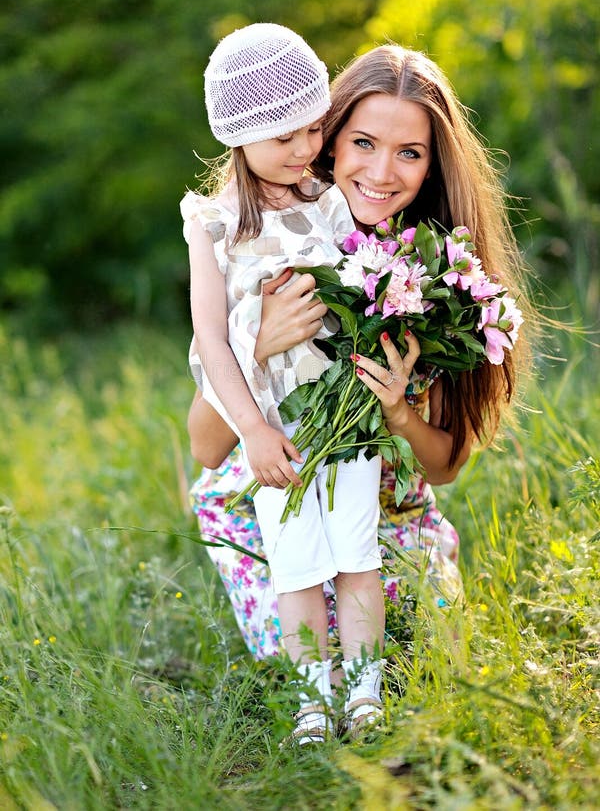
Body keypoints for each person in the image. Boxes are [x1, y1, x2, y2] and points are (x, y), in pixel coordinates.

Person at [185, 43, 532, 743]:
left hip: (389, 507)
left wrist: (400, 410)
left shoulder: (440, 273)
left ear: (435, 164)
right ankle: (319, 696)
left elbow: (444, 465)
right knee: (312, 622)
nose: (381, 172)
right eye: (363, 142)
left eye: (410, 152)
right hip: (276, 478)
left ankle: (364, 683)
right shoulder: (274, 242)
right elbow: (205, 442)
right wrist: (259, 345)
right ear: (329, 137)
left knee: (409, 645)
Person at [182, 24, 392, 744]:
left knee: (358, 556)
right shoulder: (212, 226)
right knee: (298, 570)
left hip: (347, 415)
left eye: (312, 129)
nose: (305, 150)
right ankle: (313, 700)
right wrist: (254, 431)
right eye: (284, 140)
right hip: (275, 431)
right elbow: (209, 339)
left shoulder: (332, 201)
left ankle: (365, 691)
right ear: (238, 139)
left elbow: (368, 288)